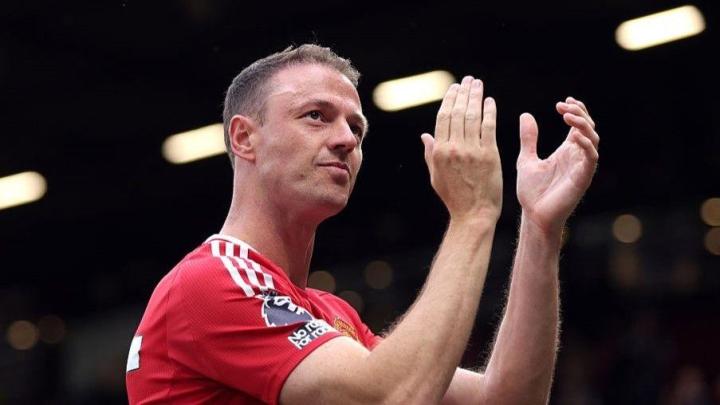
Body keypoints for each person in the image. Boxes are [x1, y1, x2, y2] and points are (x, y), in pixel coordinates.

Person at [126, 44, 599, 404]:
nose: (346, 140)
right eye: (316, 116)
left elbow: (508, 397)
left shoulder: (329, 314)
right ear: (245, 138)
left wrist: (540, 230)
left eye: (356, 128)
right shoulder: (210, 282)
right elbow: (391, 397)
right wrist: (472, 214)